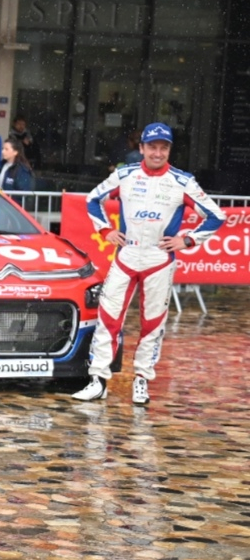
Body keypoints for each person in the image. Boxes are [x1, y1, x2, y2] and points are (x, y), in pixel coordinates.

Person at [72, 123, 225, 406]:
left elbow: (216, 216)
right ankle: (98, 380)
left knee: (152, 323)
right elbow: (93, 199)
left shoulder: (183, 181)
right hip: (126, 257)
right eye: (152, 147)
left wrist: (188, 240)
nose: (157, 152)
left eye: (163, 147)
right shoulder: (124, 174)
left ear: (169, 150)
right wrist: (105, 231)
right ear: (141, 148)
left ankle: (141, 380)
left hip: (159, 260)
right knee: (108, 318)